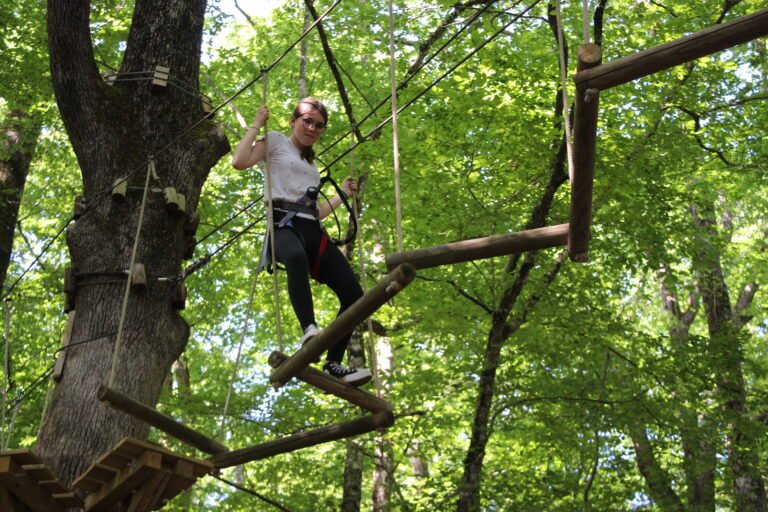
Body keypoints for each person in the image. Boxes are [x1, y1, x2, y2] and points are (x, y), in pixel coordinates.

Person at [232, 98, 371, 387]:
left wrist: (342, 194)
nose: (312, 128)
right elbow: (239, 161)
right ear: (294, 121)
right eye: (307, 121)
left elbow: (317, 212)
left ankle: (334, 363)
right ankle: (309, 327)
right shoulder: (275, 141)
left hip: (312, 230)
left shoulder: (312, 166)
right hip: (283, 225)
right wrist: (257, 124)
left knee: (354, 295)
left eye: (319, 126)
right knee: (295, 257)